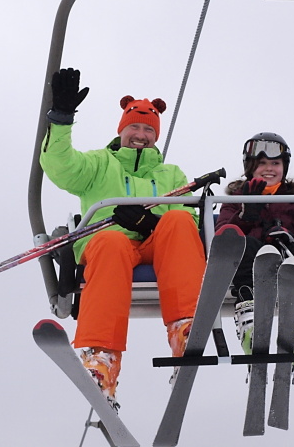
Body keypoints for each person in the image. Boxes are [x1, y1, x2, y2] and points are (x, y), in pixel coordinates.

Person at [39, 68, 206, 409]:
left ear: (156, 136)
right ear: (122, 130)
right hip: (111, 248)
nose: (140, 135)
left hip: (159, 245)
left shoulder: (171, 174)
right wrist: (62, 120)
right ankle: (101, 357)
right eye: (134, 127)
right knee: (111, 243)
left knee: (177, 220)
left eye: (148, 129)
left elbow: (188, 217)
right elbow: (60, 167)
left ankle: (185, 329)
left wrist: (149, 223)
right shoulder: (100, 164)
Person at [215, 132, 294, 364]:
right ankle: (249, 314)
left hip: (288, 258)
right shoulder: (237, 199)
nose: (269, 169)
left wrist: (289, 238)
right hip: (254, 261)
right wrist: (246, 217)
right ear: (250, 167)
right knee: (246, 245)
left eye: (275, 163)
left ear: (284, 168)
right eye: (262, 163)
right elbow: (224, 234)